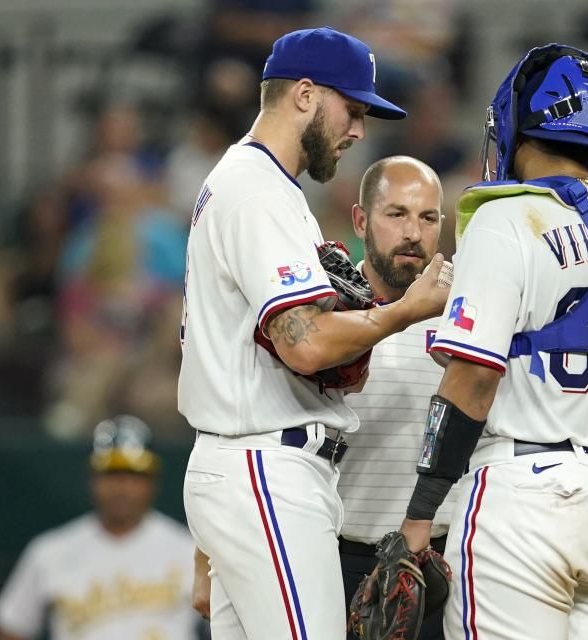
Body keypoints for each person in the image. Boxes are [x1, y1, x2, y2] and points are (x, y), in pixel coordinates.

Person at [397, 44, 588, 639]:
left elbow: (473, 376)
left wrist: (420, 516)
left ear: (515, 127)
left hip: (520, 495)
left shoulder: (507, 220)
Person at [177, 27, 450, 639]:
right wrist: (404, 312)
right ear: (304, 94)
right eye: (351, 109)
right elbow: (305, 344)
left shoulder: (258, 184)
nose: (358, 129)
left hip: (248, 465)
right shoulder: (257, 191)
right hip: (265, 469)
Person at [336, 156, 454, 640]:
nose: (413, 232)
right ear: (361, 220)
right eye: (396, 214)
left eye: (427, 218)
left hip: (441, 559)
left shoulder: (469, 306)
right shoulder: (326, 307)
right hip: (336, 554)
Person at [0, 415, 198, 640]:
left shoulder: (190, 550)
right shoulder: (50, 551)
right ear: (92, 479)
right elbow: (11, 627)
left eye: (133, 475)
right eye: (111, 475)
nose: (122, 487)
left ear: (152, 482)